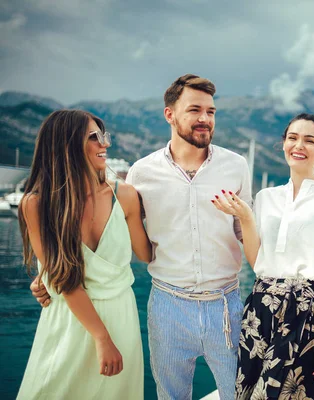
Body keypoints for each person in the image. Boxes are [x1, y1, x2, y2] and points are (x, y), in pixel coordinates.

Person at [31, 75, 252, 400]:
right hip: (167, 306)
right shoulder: (141, 174)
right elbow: (107, 237)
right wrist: (46, 274)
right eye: (195, 110)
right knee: (171, 396)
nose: (205, 119)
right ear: (169, 115)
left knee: (241, 393)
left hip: (226, 304)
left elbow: (245, 233)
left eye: (211, 111)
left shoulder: (237, 166)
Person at [212, 113, 314, 399]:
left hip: (307, 311)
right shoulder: (266, 198)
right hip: (261, 308)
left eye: (309, 140)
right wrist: (247, 218)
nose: (299, 145)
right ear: (284, 143)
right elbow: (258, 262)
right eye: (292, 138)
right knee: (249, 392)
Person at [18, 109, 152, 399]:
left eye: (104, 137)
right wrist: (102, 338)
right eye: (94, 137)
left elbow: (147, 254)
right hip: (68, 320)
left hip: (121, 318)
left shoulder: (125, 195)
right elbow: (65, 280)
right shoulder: (37, 204)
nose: (104, 144)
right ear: (66, 144)